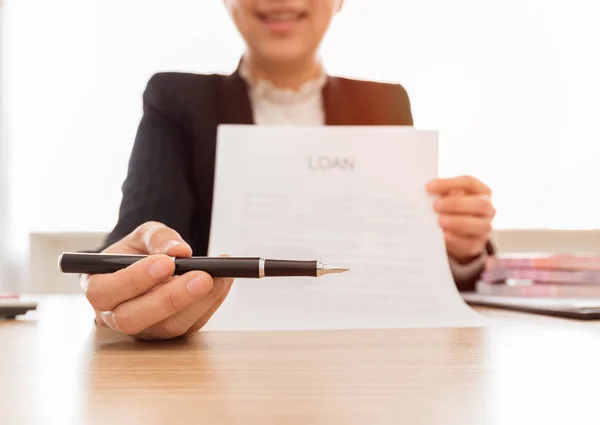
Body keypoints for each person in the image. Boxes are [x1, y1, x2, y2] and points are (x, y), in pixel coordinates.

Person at [82, 0, 496, 340]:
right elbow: (138, 237)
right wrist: (122, 279)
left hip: (363, 353)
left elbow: (399, 260)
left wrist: (458, 249)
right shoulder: (176, 100)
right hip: (215, 358)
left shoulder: (386, 104)